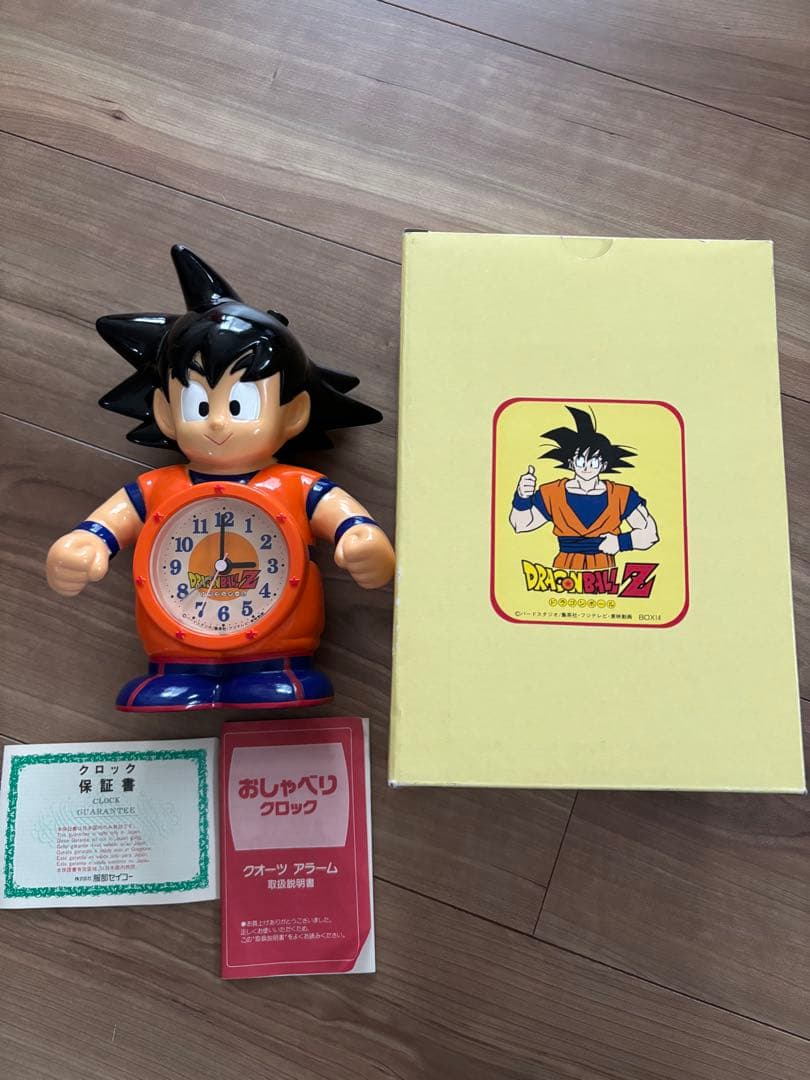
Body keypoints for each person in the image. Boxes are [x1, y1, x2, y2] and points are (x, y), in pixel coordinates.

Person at [46, 245, 395, 710]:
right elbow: (104, 527)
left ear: (294, 414)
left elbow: (348, 522)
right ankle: (179, 675)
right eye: (197, 404)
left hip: (279, 643)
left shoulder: (294, 485)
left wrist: (364, 542)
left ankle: (274, 670)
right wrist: (82, 546)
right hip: (175, 638)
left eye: (238, 405)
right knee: (175, 667)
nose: (216, 422)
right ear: (165, 413)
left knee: (275, 671)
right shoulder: (157, 489)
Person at [509, 406, 658, 571]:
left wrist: (621, 542)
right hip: (562, 574)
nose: (586, 467)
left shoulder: (621, 495)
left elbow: (650, 534)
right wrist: (522, 497)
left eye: (593, 462)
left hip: (604, 574)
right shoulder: (552, 493)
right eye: (581, 461)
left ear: (603, 465)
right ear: (571, 463)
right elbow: (521, 525)